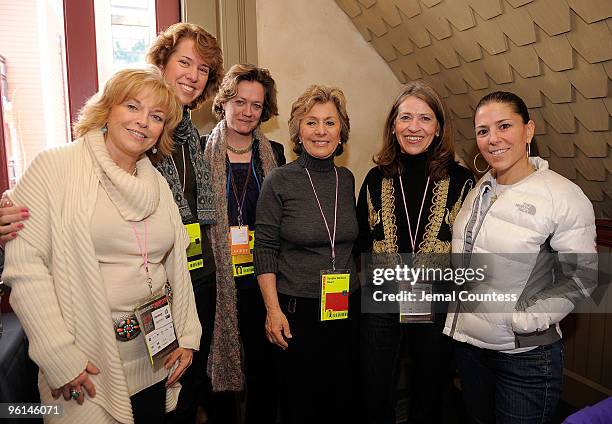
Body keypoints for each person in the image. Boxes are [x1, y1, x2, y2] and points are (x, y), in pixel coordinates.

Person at [2, 67, 201, 423]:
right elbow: (26, 268)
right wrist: (59, 357)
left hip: (155, 359)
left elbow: (176, 264)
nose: (143, 122)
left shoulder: (155, 180)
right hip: (86, 365)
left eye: (156, 117)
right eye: (132, 107)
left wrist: (187, 334)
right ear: (106, 109)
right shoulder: (56, 167)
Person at [444, 91, 598, 424]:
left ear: (528, 131)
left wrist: (526, 320)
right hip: (471, 351)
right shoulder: (480, 188)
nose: (492, 139)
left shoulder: (562, 196)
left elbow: (584, 275)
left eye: (504, 126)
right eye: (483, 131)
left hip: (524, 358)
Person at [356, 80, 475, 424]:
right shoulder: (375, 179)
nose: (414, 127)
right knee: (375, 388)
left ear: (438, 128)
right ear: (393, 125)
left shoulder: (462, 180)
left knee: (430, 388)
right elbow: (363, 240)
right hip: (381, 301)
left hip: (436, 301)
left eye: (425, 118)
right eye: (405, 117)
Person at [145, 22, 239, 424]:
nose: (193, 75)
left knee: (190, 386)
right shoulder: (141, 127)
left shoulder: (190, 137)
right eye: (184, 62)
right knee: (159, 391)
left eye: (203, 70)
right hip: (153, 284)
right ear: (162, 63)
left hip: (197, 276)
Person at [255, 85, 359, 424]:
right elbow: (265, 249)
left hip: (345, 306)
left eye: (330, 123)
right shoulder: (279, 180)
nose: (321, 131)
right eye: (311, 122)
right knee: (301, 403)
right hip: (297, 312)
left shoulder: (347, 179)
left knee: (340, 400)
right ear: (298, 129)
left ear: (341, 131)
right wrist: (273, 310)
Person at [204, 63, 285, 423]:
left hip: (263, 277)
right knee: (216, 374)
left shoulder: (277, 156)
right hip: (217, 278)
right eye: (239, 101)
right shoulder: (202, 154)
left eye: (256, 105)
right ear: (224, 102)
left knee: (265, 371)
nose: (247, 112)